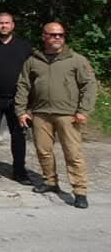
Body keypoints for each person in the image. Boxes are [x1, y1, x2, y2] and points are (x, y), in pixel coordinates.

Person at [16, 22, 96, 209]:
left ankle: (80, 191)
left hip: (68, 115)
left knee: (73, 153)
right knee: (43, 151)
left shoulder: (76, 60)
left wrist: (83, 111)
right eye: (53, 35)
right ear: (44, 36)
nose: (57, 38)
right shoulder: (33, 61)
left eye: (60, 34)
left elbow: (89, 85)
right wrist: (21, 110)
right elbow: (23, 85)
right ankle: (50, 181)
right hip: (41, 113)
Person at [0, 12, 33, 184]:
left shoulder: (24, 47)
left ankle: (19, 171)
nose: (4, 26)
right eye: (0, 23)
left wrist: (29, 101)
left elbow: (31, 74)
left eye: (7, 23)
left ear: (12, 25)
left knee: (19, 136)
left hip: (17, 99)